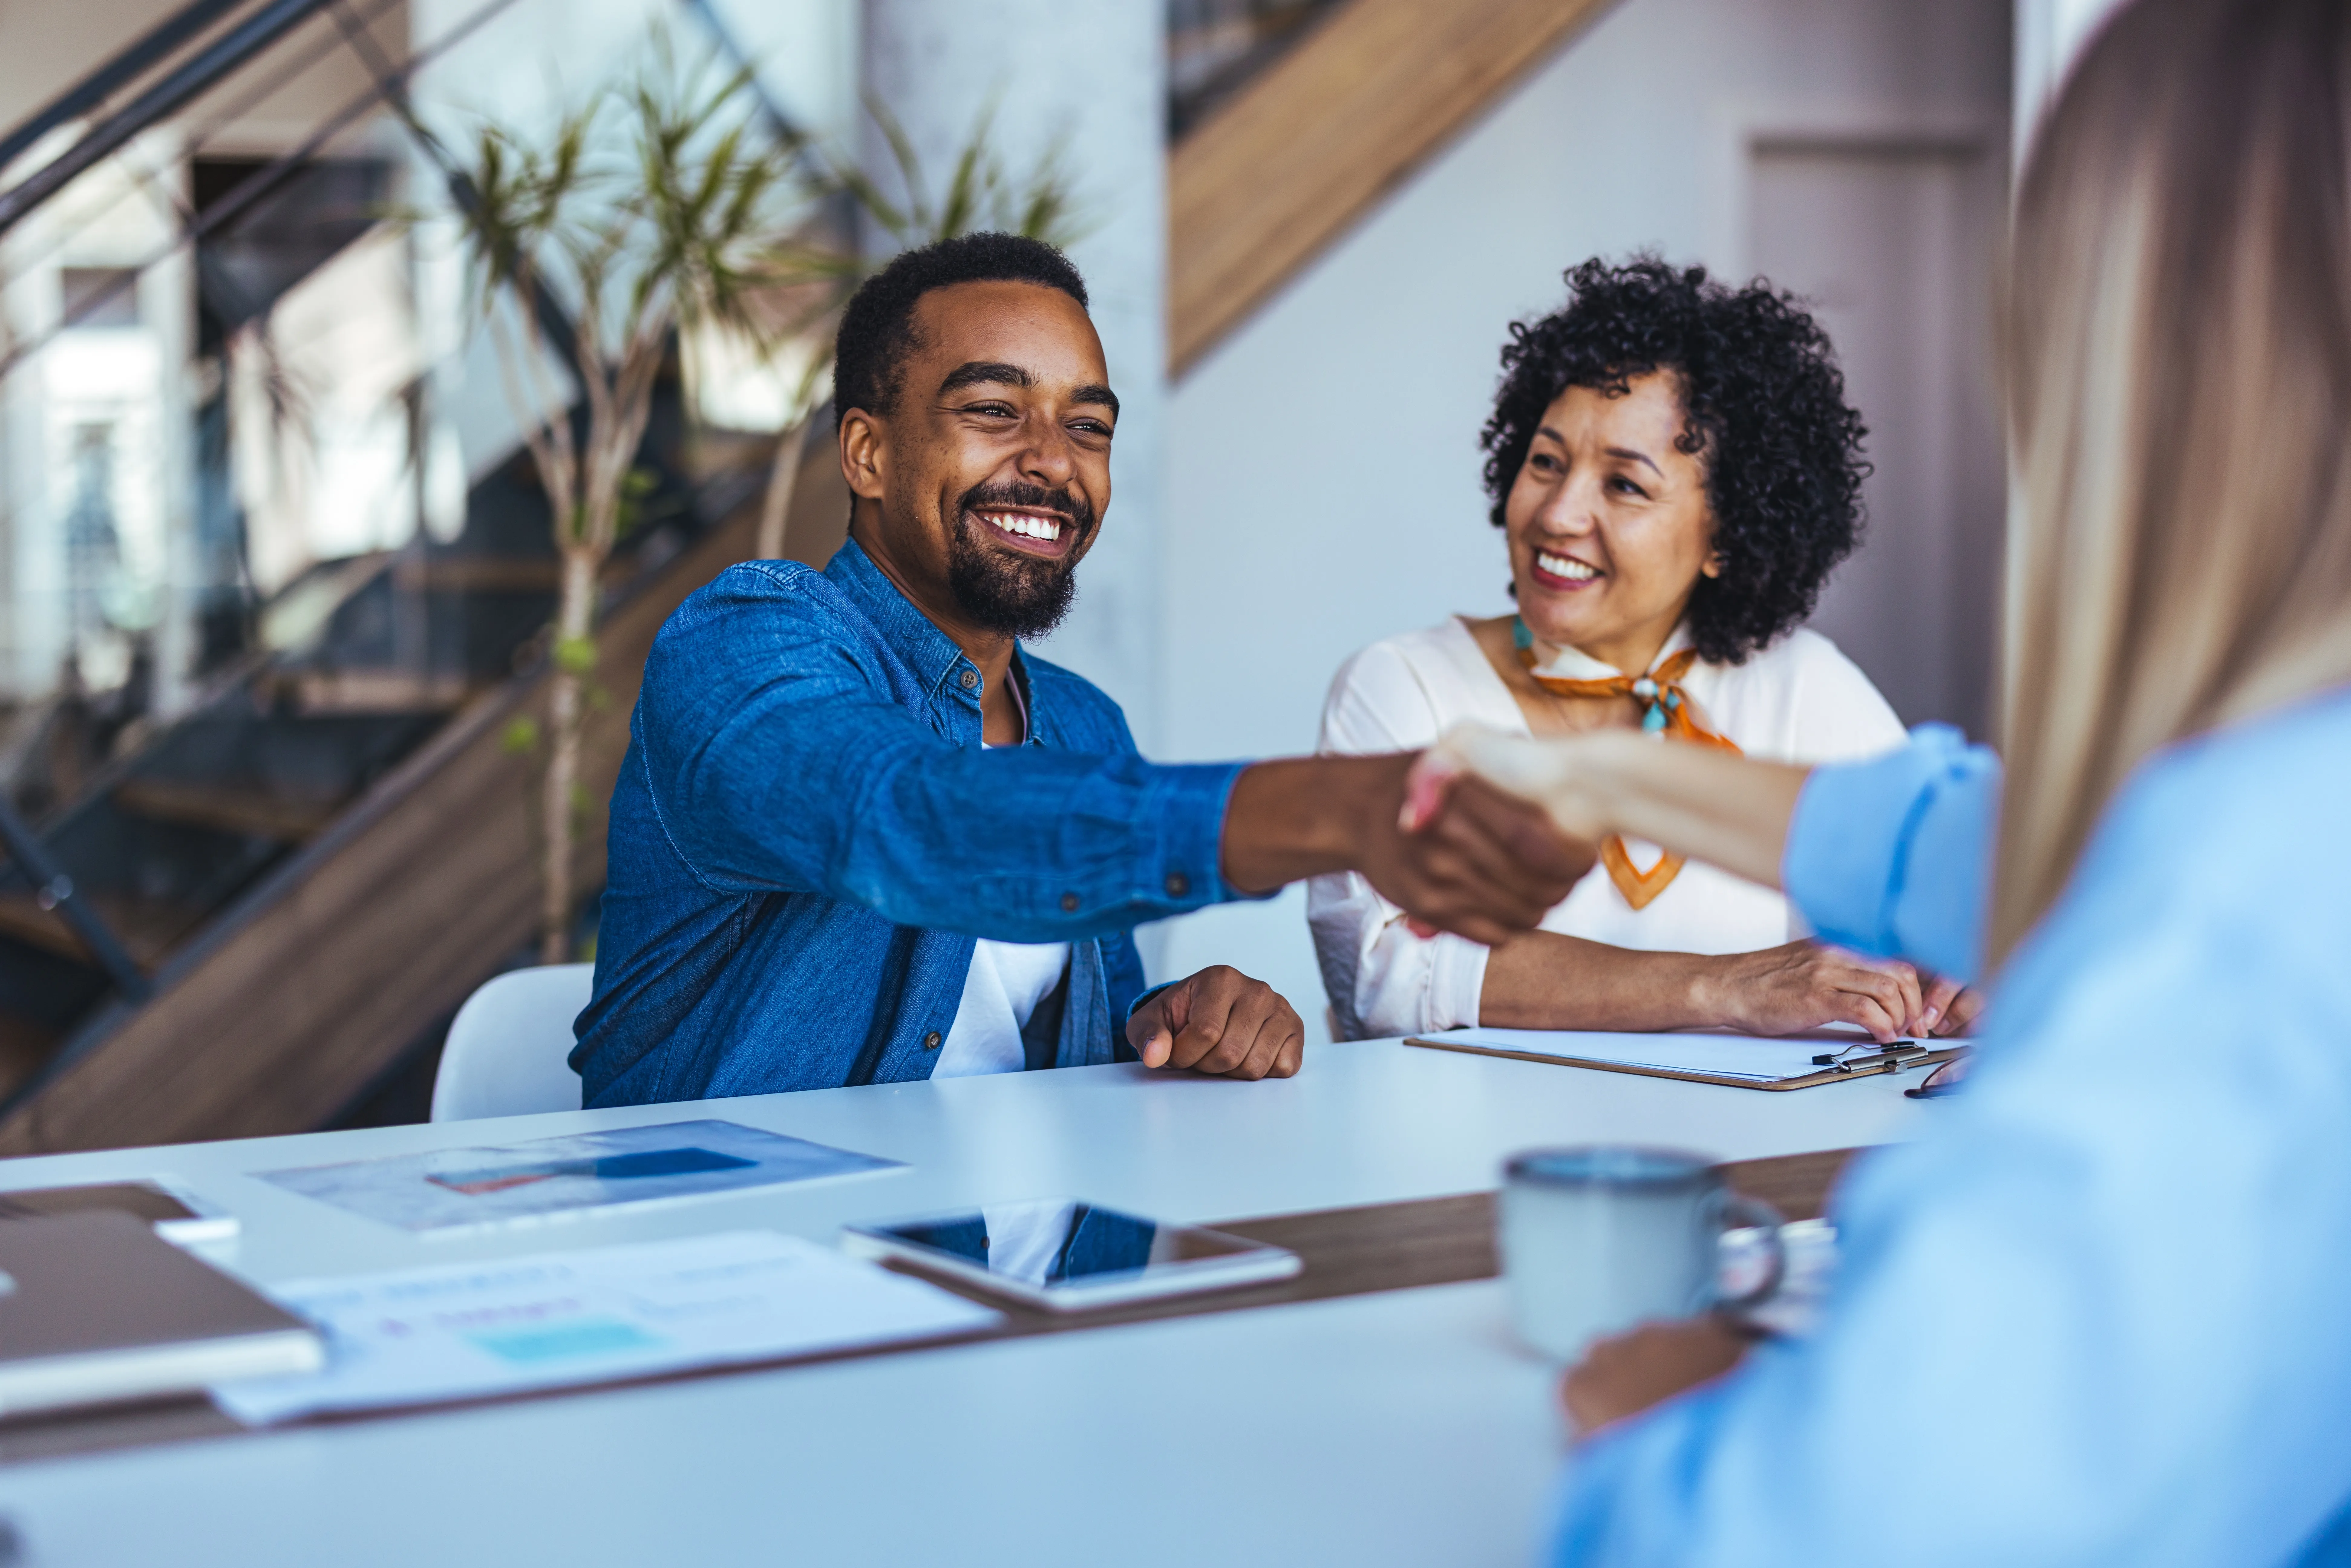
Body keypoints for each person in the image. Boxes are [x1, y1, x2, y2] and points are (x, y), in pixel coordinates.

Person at [1419, 0, 2351, 1560]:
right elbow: (1991, 847)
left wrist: (1671, 1427)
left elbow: (1822, 1526)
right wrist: (1603, 785)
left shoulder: (2238, 933)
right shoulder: (2275, 805)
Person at [571, 233, 1587, 1106]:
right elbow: (909, 816)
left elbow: (1029, 1047)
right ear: (867, 454)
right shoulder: (746, 641)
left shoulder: (1081, 724)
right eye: (993, 411)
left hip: (1025, 1288)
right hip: (746, 1284)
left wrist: (1173, 1024)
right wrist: (1336, 808)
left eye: (1088, 426)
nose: (1056, 463)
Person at [1311, 259, 1965, 1045]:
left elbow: (1937, 901)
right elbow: (1382, 976)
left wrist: (1952, 978)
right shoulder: (1402, 685)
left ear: (1724, 534)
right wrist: (1728, 987)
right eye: (1546, 462)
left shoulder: (1802, 685)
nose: (1558, 514)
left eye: (1623, 485)